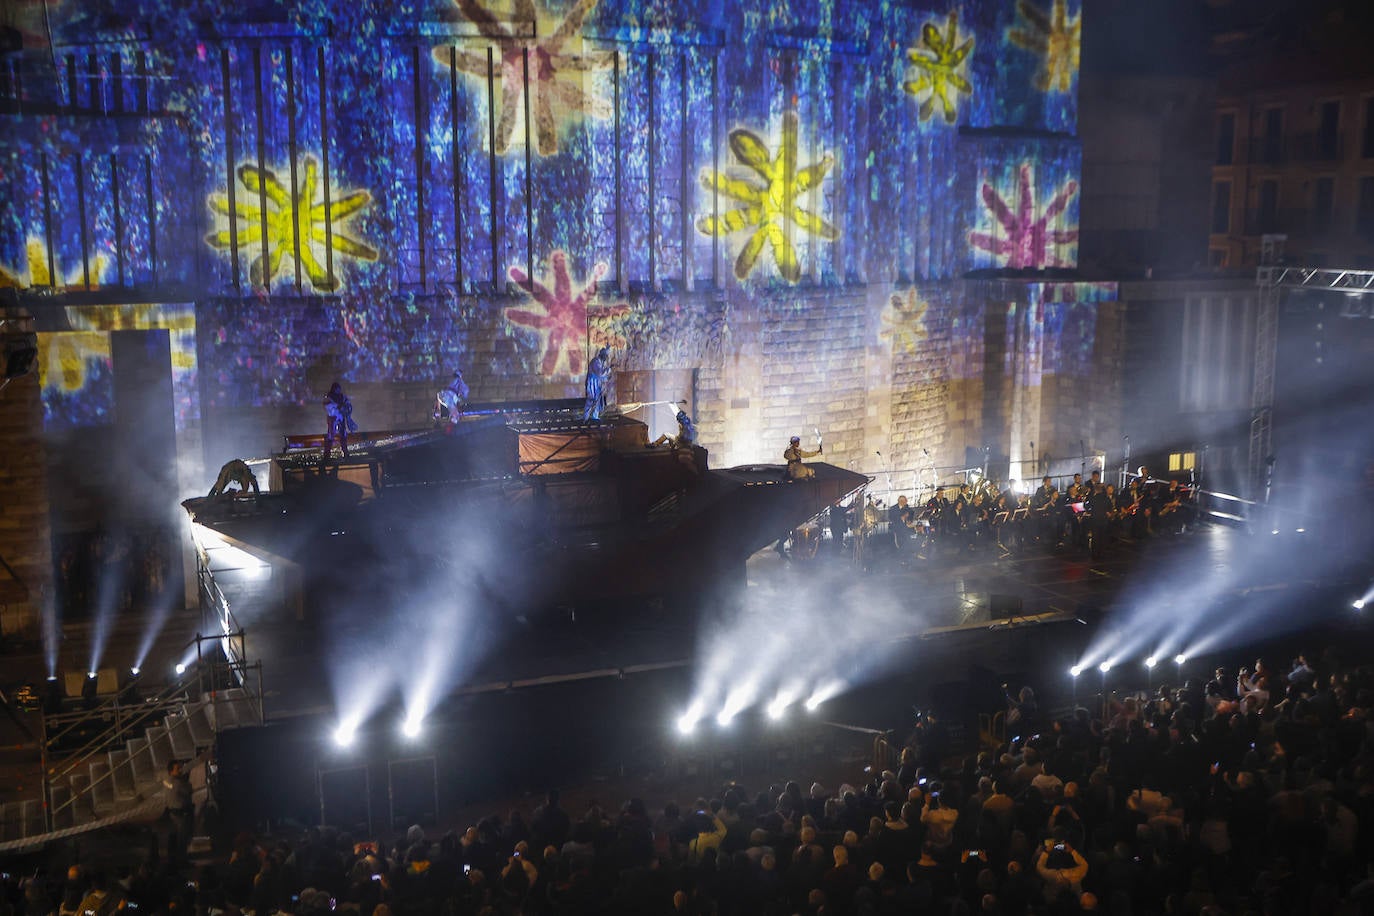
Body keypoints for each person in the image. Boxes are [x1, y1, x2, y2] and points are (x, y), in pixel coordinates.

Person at [163, 759, 193, 865]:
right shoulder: (179, 783)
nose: (181, 770)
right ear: (171, 771)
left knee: (174, 839)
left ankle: (173, 860)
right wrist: (186, 780)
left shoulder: (166, 781)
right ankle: (182, 861)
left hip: (172, 813)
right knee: (182, 839)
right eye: (178, 769)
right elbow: (189, 790)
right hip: (181, 814)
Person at [323, 382, 357, 462]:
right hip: (332, 418)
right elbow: (326, 405)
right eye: (337, 388)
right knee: (330, 436)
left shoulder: (342, 396)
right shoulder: (329, 396)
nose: (339, 390)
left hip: (341, 418)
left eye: (339, 388)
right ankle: (327, 455)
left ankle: (346, 453)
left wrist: (346, 408)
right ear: (334, 389)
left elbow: (348, 404)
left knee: (343, 436)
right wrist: (337, 407)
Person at [583, 348, 611, 421]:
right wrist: (608, 369)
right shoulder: (595, 361)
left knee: (597, 402)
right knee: (591, 400)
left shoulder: (600, 362)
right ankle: (586, 417)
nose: (606, 358)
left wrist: (607, 378)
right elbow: (600, 373)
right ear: (602, 355)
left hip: (597, 384)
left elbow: (602, 376)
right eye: (605, 356)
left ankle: (594, 417)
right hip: (592, 384)